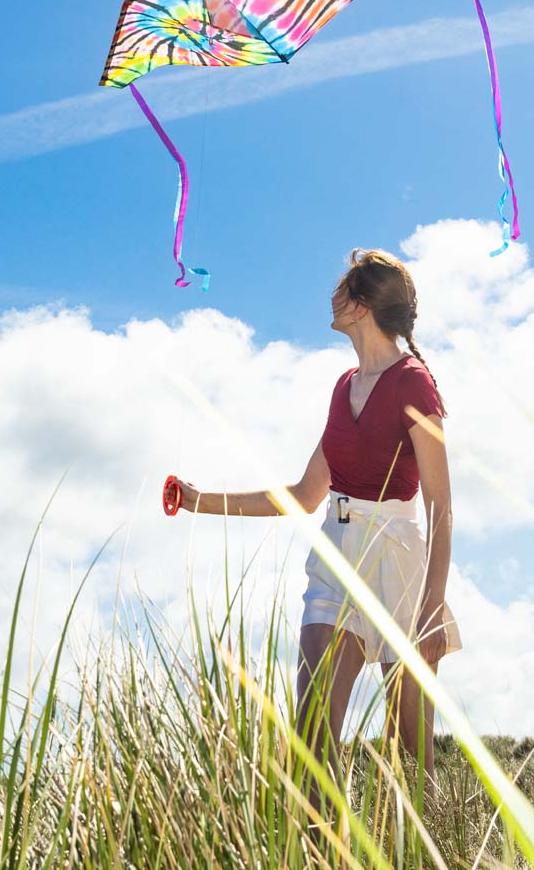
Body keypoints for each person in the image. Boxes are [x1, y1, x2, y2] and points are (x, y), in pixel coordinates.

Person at [167, 247, 462, 821]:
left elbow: (441, 504)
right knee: (313, 726)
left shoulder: (414, 384)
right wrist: (202, 501)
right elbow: (304, 496)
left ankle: (423, 851)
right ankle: (323, 846)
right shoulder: (341, 386)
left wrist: (432, 603)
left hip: (397, 555)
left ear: (360, 305)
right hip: (336, 549)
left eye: (340, 289)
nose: (329, 297)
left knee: (409, 743)